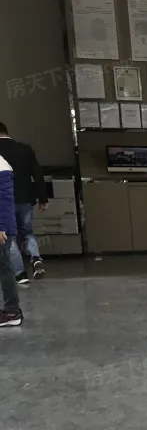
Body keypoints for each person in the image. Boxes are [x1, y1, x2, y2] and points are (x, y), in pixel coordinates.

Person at [0, 122, 50, 283]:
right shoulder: (25, 149)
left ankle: (20, 274)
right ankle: (36, 258)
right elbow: (38, 174)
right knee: (28, 232)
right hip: (26, 199)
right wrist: (43, 198)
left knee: (11, 237)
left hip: (5, 201)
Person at [0, 153, 21, 327]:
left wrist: (1, 227)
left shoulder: (2, 167)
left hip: (3, 230)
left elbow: (5, 200)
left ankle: (12, 311)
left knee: (4, 268)